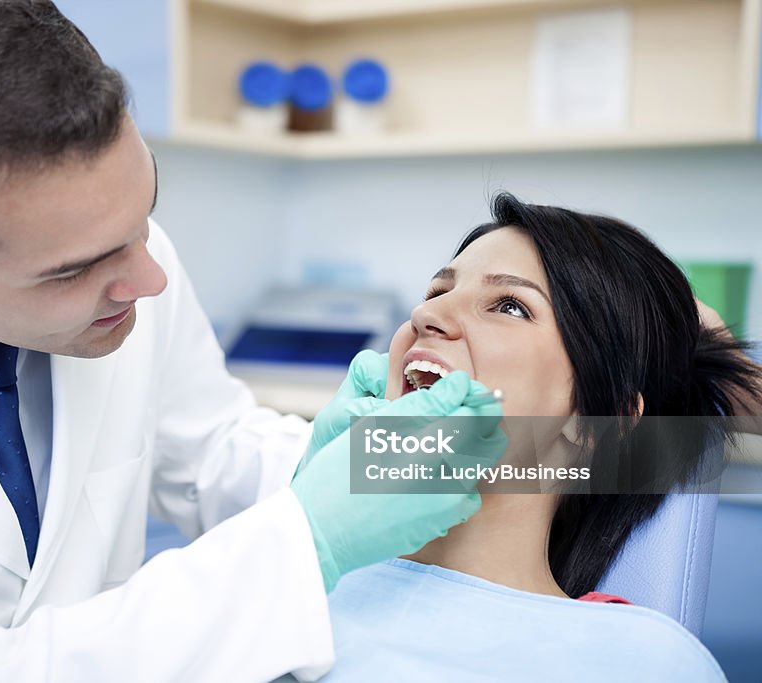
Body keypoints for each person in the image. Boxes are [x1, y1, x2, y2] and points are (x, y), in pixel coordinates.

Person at [0, 2, 507, 681]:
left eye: (145, 217)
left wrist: (344, 466)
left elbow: (209, 452)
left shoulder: (113, 250)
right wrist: (310, 535)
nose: (149, 278)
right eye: (78, 269)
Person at [283, 193, 762, 681]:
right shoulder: (282, 584)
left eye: (510, 306)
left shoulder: (637, 660)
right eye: (434, 293)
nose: (426, 317)